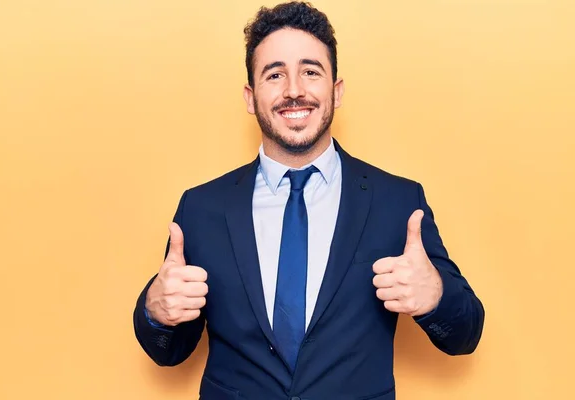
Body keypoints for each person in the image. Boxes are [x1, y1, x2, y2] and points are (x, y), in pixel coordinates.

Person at [133, 2, 485, 399]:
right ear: (251, 97)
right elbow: (169, 352)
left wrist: (435, 295)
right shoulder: (200, 209)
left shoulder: (397, 202)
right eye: (275, 74)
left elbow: (465, 335)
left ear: (336, 91)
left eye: (310, 72)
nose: (294, 90)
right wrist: (156, 312)